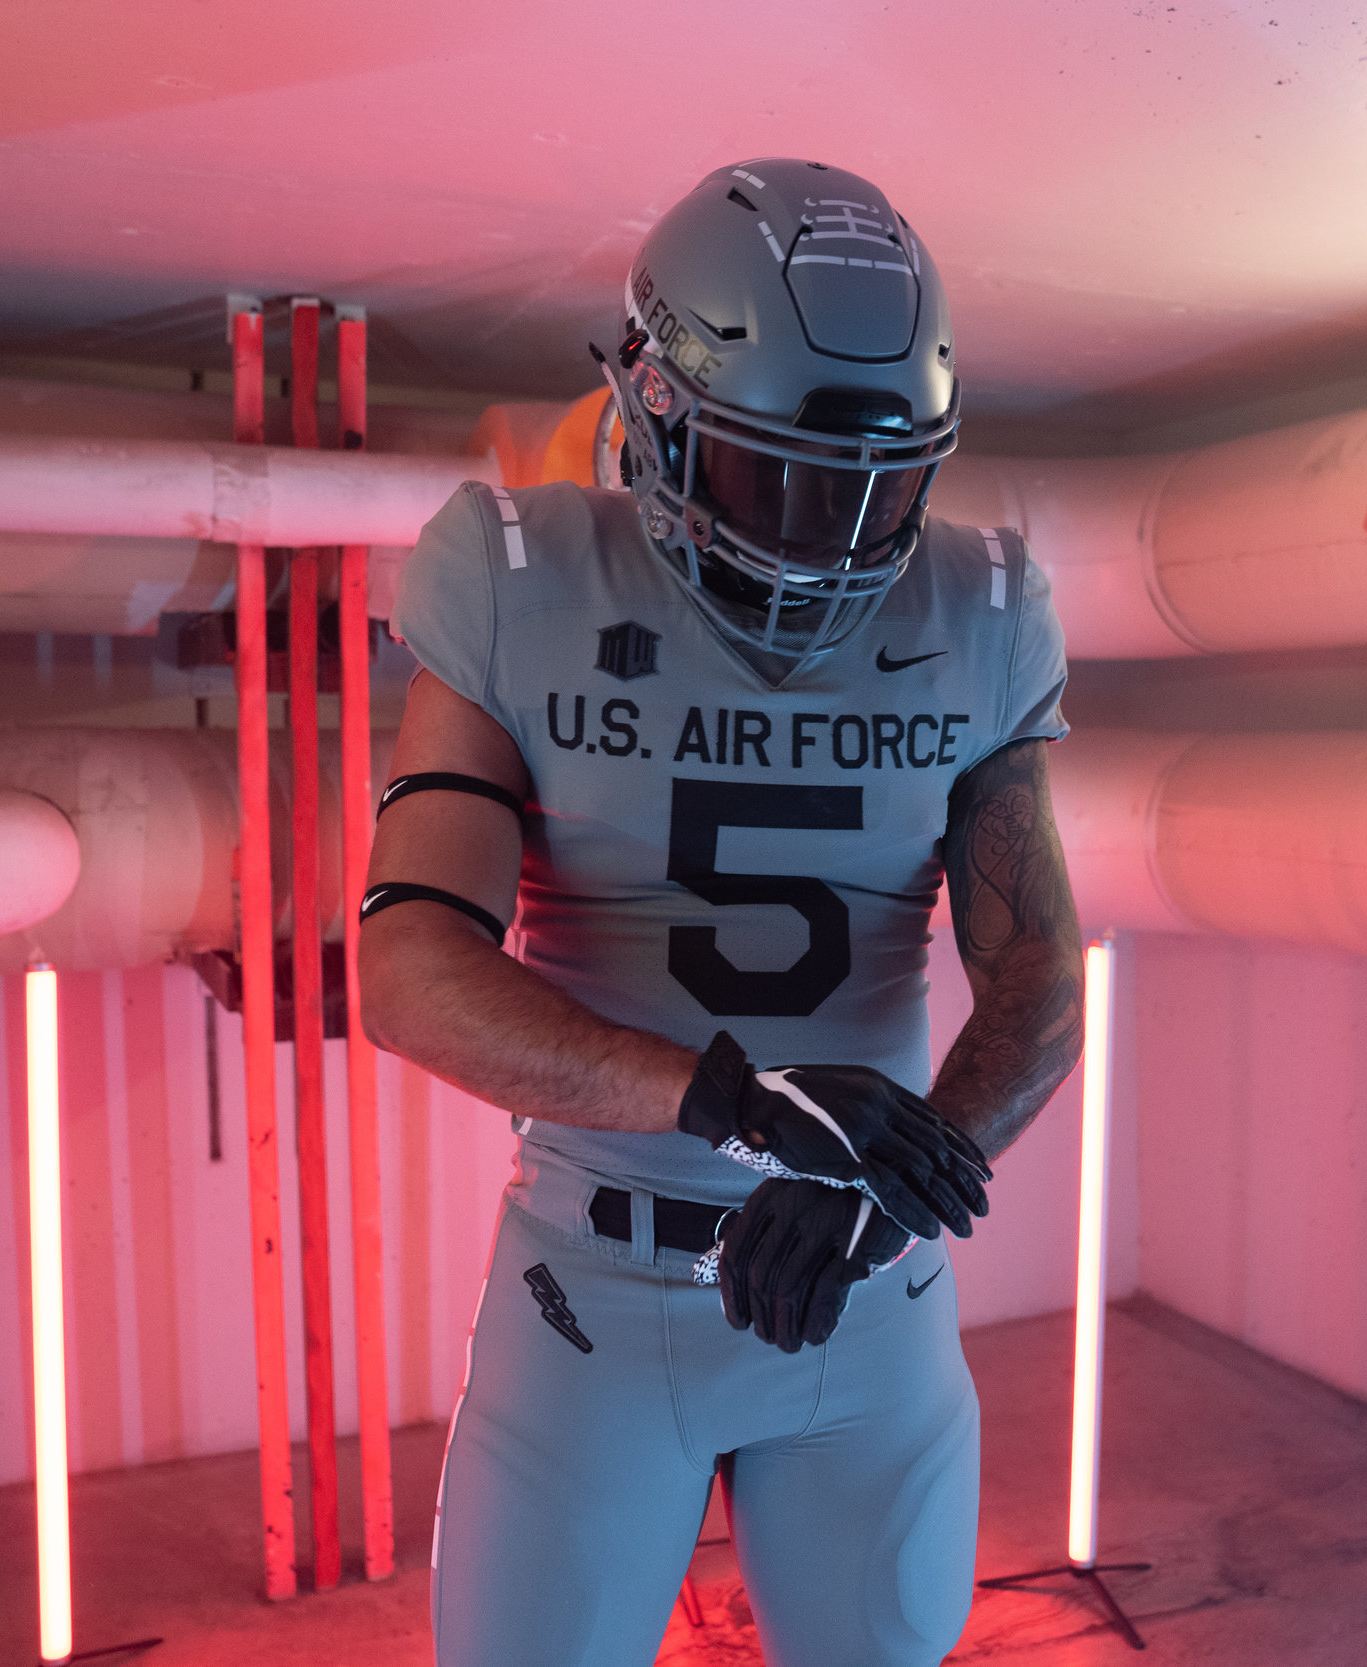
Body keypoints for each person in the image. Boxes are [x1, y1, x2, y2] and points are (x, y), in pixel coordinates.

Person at [360, 156, 1084, 1667]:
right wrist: (742, 1107)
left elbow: (1036, 973)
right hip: (593, 1297)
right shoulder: (519, 579)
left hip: (870, 1277)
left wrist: (888, 1179)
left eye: (882, 481)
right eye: (782, 469)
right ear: (655, 404)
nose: (831, 531)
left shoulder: (984, 607)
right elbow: (409, 969)